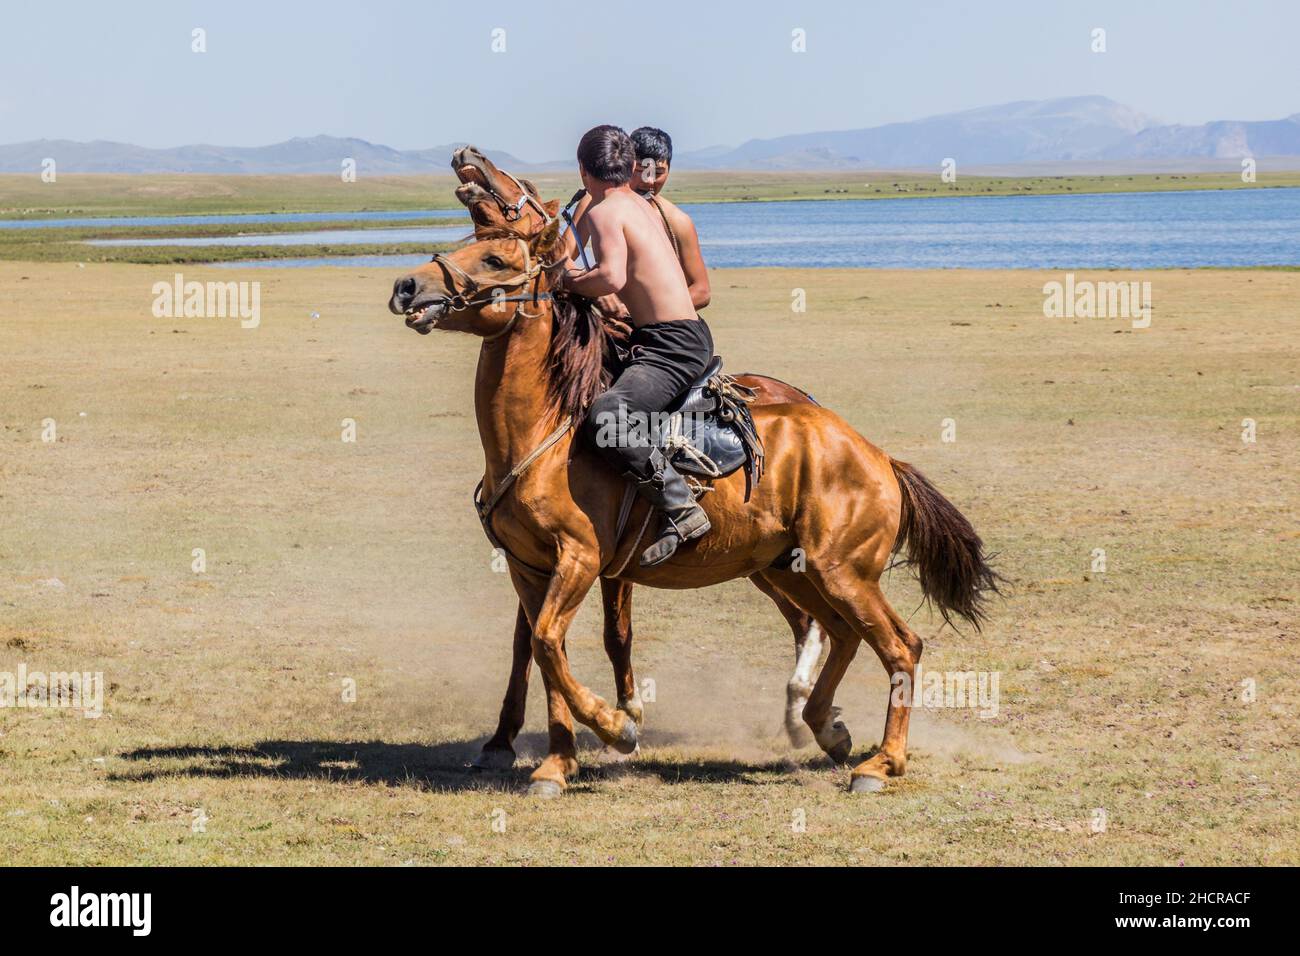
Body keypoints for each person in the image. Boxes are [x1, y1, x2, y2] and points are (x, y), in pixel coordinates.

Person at [558, 125, 713, 567]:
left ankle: (681, 507)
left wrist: (565, 280)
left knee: (608, 414)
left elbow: (610, 278)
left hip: (672, 346)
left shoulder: (606, 211)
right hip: (669, 336)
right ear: (629, 168)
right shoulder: (640, 206)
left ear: (583, 170)